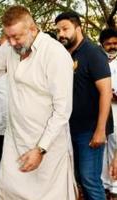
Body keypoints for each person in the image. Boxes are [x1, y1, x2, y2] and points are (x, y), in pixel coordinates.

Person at [0, 5, 76, 199]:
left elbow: (62, 111)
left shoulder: (55, 54)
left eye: (17, 37)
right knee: (7, 192)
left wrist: (40, 149)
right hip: (15, 142)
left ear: (33, 29)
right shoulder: (9, 49)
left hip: (48, 146)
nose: (11, 43)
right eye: (8, 37)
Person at [55, 12, 113, 200]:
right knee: (80, 179)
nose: (61, 34)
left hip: (90, 130)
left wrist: (100, 130)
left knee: (90, 180)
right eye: (58, 31)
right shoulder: (64, 55)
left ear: (78, 28)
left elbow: (106, 92)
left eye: (65, 29)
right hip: (71, 128)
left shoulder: (92, 52)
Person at [99, 28, 117, 197]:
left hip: (116, 111)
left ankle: (115, 188)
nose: (112, 46)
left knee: (114, 147)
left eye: (115, 43)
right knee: (102, 148)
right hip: (101, 111)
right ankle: (104, 184)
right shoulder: (99, 60)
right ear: (102, 44)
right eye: (108, 43)